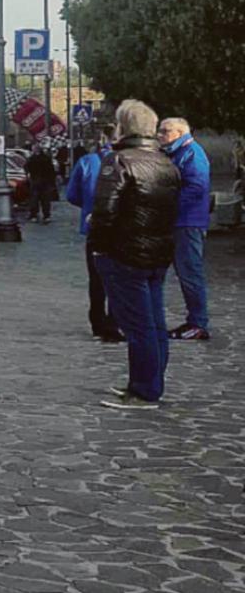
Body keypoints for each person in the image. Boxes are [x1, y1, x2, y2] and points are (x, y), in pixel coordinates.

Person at [91, 100, 180, 410]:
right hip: (157, 251)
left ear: (123, 127)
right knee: (154, 323)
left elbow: (105, 212)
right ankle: (148, 383)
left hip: (124, 252)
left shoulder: (118, 161)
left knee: (138, 326)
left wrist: (98, 246)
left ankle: (144, 390)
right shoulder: (165, 162)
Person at [158, 118, 211, 340]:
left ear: (180, 133)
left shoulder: (191, 153)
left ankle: (198, 323)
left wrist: (167, 205)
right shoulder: (175, 153)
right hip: (175, 222)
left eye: (165, 131)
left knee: (190, 273)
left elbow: (196, 187)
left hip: (187, 222)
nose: (160, 134)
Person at [65, 125, 119, 342]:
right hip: (121, 228)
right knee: (119, 277)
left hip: (94, 226)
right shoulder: (127, 161)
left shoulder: (87, 162)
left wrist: (89, 207)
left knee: (96, 279)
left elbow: (71, 194)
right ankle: (115, 323)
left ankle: (98, 324)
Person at [25, 143, 58, 224]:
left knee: (34, 199)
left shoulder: (31, 159)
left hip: (35, 181)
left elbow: (27, 168)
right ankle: (46, 216)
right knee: (45, 200)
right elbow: (51, 171)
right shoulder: (46, 158)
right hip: (45, 182)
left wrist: (29, 176)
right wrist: (52, 182)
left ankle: (34, 215)